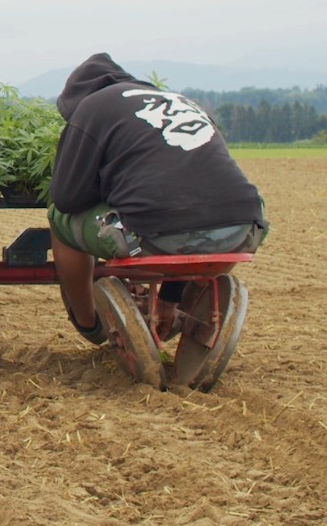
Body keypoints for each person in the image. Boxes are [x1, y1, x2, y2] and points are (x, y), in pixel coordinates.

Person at [49, 53, 268, 344]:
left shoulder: (92, 107)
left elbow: (67, 198)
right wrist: (168, 299)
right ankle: (169, 304)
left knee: (58, 219)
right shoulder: (182, 102)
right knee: (193, 219)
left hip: (155, 235)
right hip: (244, 229)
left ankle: (89, 323)